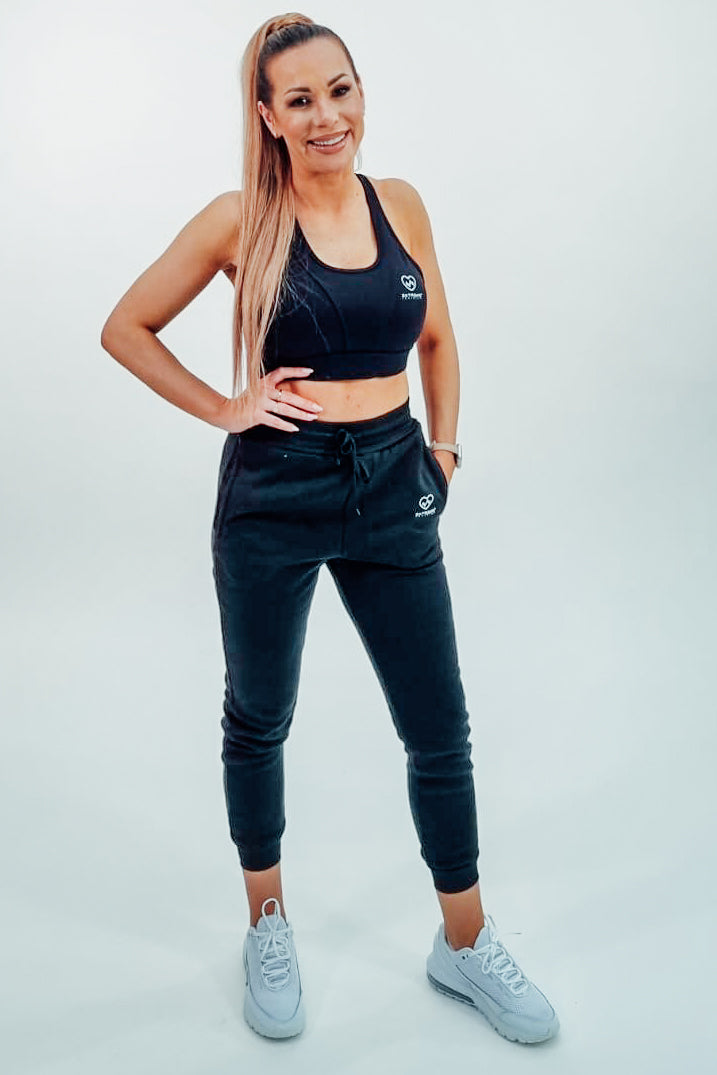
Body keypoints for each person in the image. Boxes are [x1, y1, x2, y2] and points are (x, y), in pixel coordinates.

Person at [100, 12, 559, 1046]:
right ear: (266, 115)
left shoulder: (401, 204)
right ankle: (267, 921)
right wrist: (227, 408)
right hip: (276, 490)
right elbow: (125, 326)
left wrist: (444, 453)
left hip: (395, 480)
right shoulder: (240, 220)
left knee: (437, 725)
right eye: (299, 99)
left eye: (339, 90)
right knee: (259, 715)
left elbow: (437, 336)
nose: (326, 116)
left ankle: (463, 939)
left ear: (360, 94)